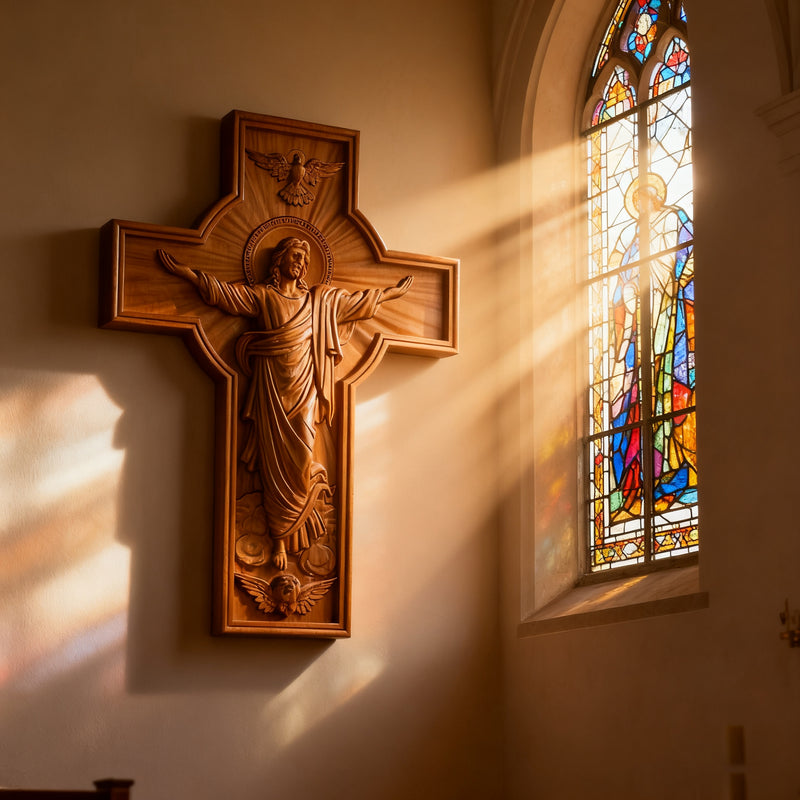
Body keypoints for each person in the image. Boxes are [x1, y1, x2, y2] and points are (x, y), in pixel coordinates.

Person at [157, 238, 412, 570]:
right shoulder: (264, 296)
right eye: (296, 255)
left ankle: (297, 530)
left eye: (305, 258)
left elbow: (355, 303)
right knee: (272, 463)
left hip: (305, 391)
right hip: (271, 393)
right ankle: (278, 540)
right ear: (279, 261)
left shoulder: (319, 301)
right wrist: (187, 273)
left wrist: (390, 293)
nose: (301, 263)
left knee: (303, 457)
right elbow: (226, 296)